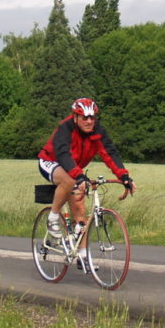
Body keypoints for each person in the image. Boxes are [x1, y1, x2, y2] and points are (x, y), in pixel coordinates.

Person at [37, 98, 135, 245]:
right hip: (51, 161)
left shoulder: (97, 131)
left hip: (73, 168)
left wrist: (124, 176)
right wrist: (79, 176)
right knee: (69, 180)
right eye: (85, 118)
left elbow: (110, 154)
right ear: (75, 117)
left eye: (92, 117)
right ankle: (52, 218)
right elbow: (63, 154)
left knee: (81, 216)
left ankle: (82, 257)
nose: (89, 121)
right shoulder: (65, 127)